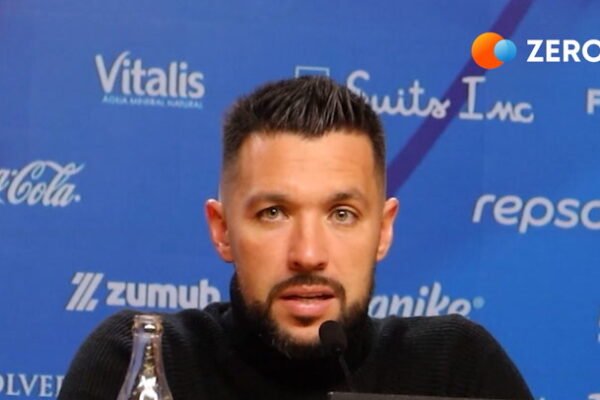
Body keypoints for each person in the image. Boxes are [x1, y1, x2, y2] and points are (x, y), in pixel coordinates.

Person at [58, 76, 533, 400]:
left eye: (342, 214)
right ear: (223, 231)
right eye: (273, 213)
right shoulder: (140, 361)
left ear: (383, 230)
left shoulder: (455, 370)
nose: (308, 254)